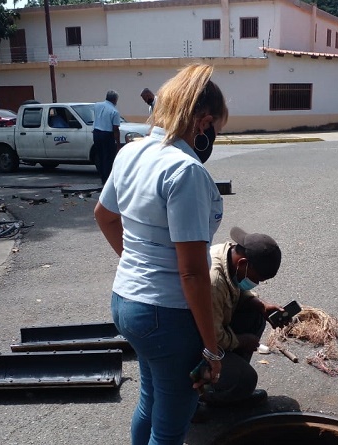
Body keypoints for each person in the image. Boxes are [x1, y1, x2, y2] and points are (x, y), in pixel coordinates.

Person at [94, 64, 228, 445]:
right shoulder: (185, 171)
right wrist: (211, 348)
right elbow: (192, 274)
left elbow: (103, 217)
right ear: (202, 123)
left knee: (149, 402)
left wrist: (136, 263)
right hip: (166, 315)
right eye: (215, 127)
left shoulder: (130, 153)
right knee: (170, 429)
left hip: (126, 302)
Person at [197, 227, 284, 414]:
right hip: (195, 341)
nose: (257, 283)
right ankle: (204, 394)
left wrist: (260, 304)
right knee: (246, 380)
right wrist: (242, 341)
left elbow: (235, 287)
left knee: (256, 316)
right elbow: (213, 336)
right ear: (244, 263)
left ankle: (228, 382)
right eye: (257, 279)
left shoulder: (229, 255)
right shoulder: (213, 281)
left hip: (213, 325)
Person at [93, 90, 122, 184]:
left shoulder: (97, 105)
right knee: (108, 159)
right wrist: (118, 144)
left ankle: (102, 178)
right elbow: (115, 129)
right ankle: (107, 181)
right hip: (107, 135)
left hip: (96, 133)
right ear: (115, 99)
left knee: (100, 157)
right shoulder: (114, 111)